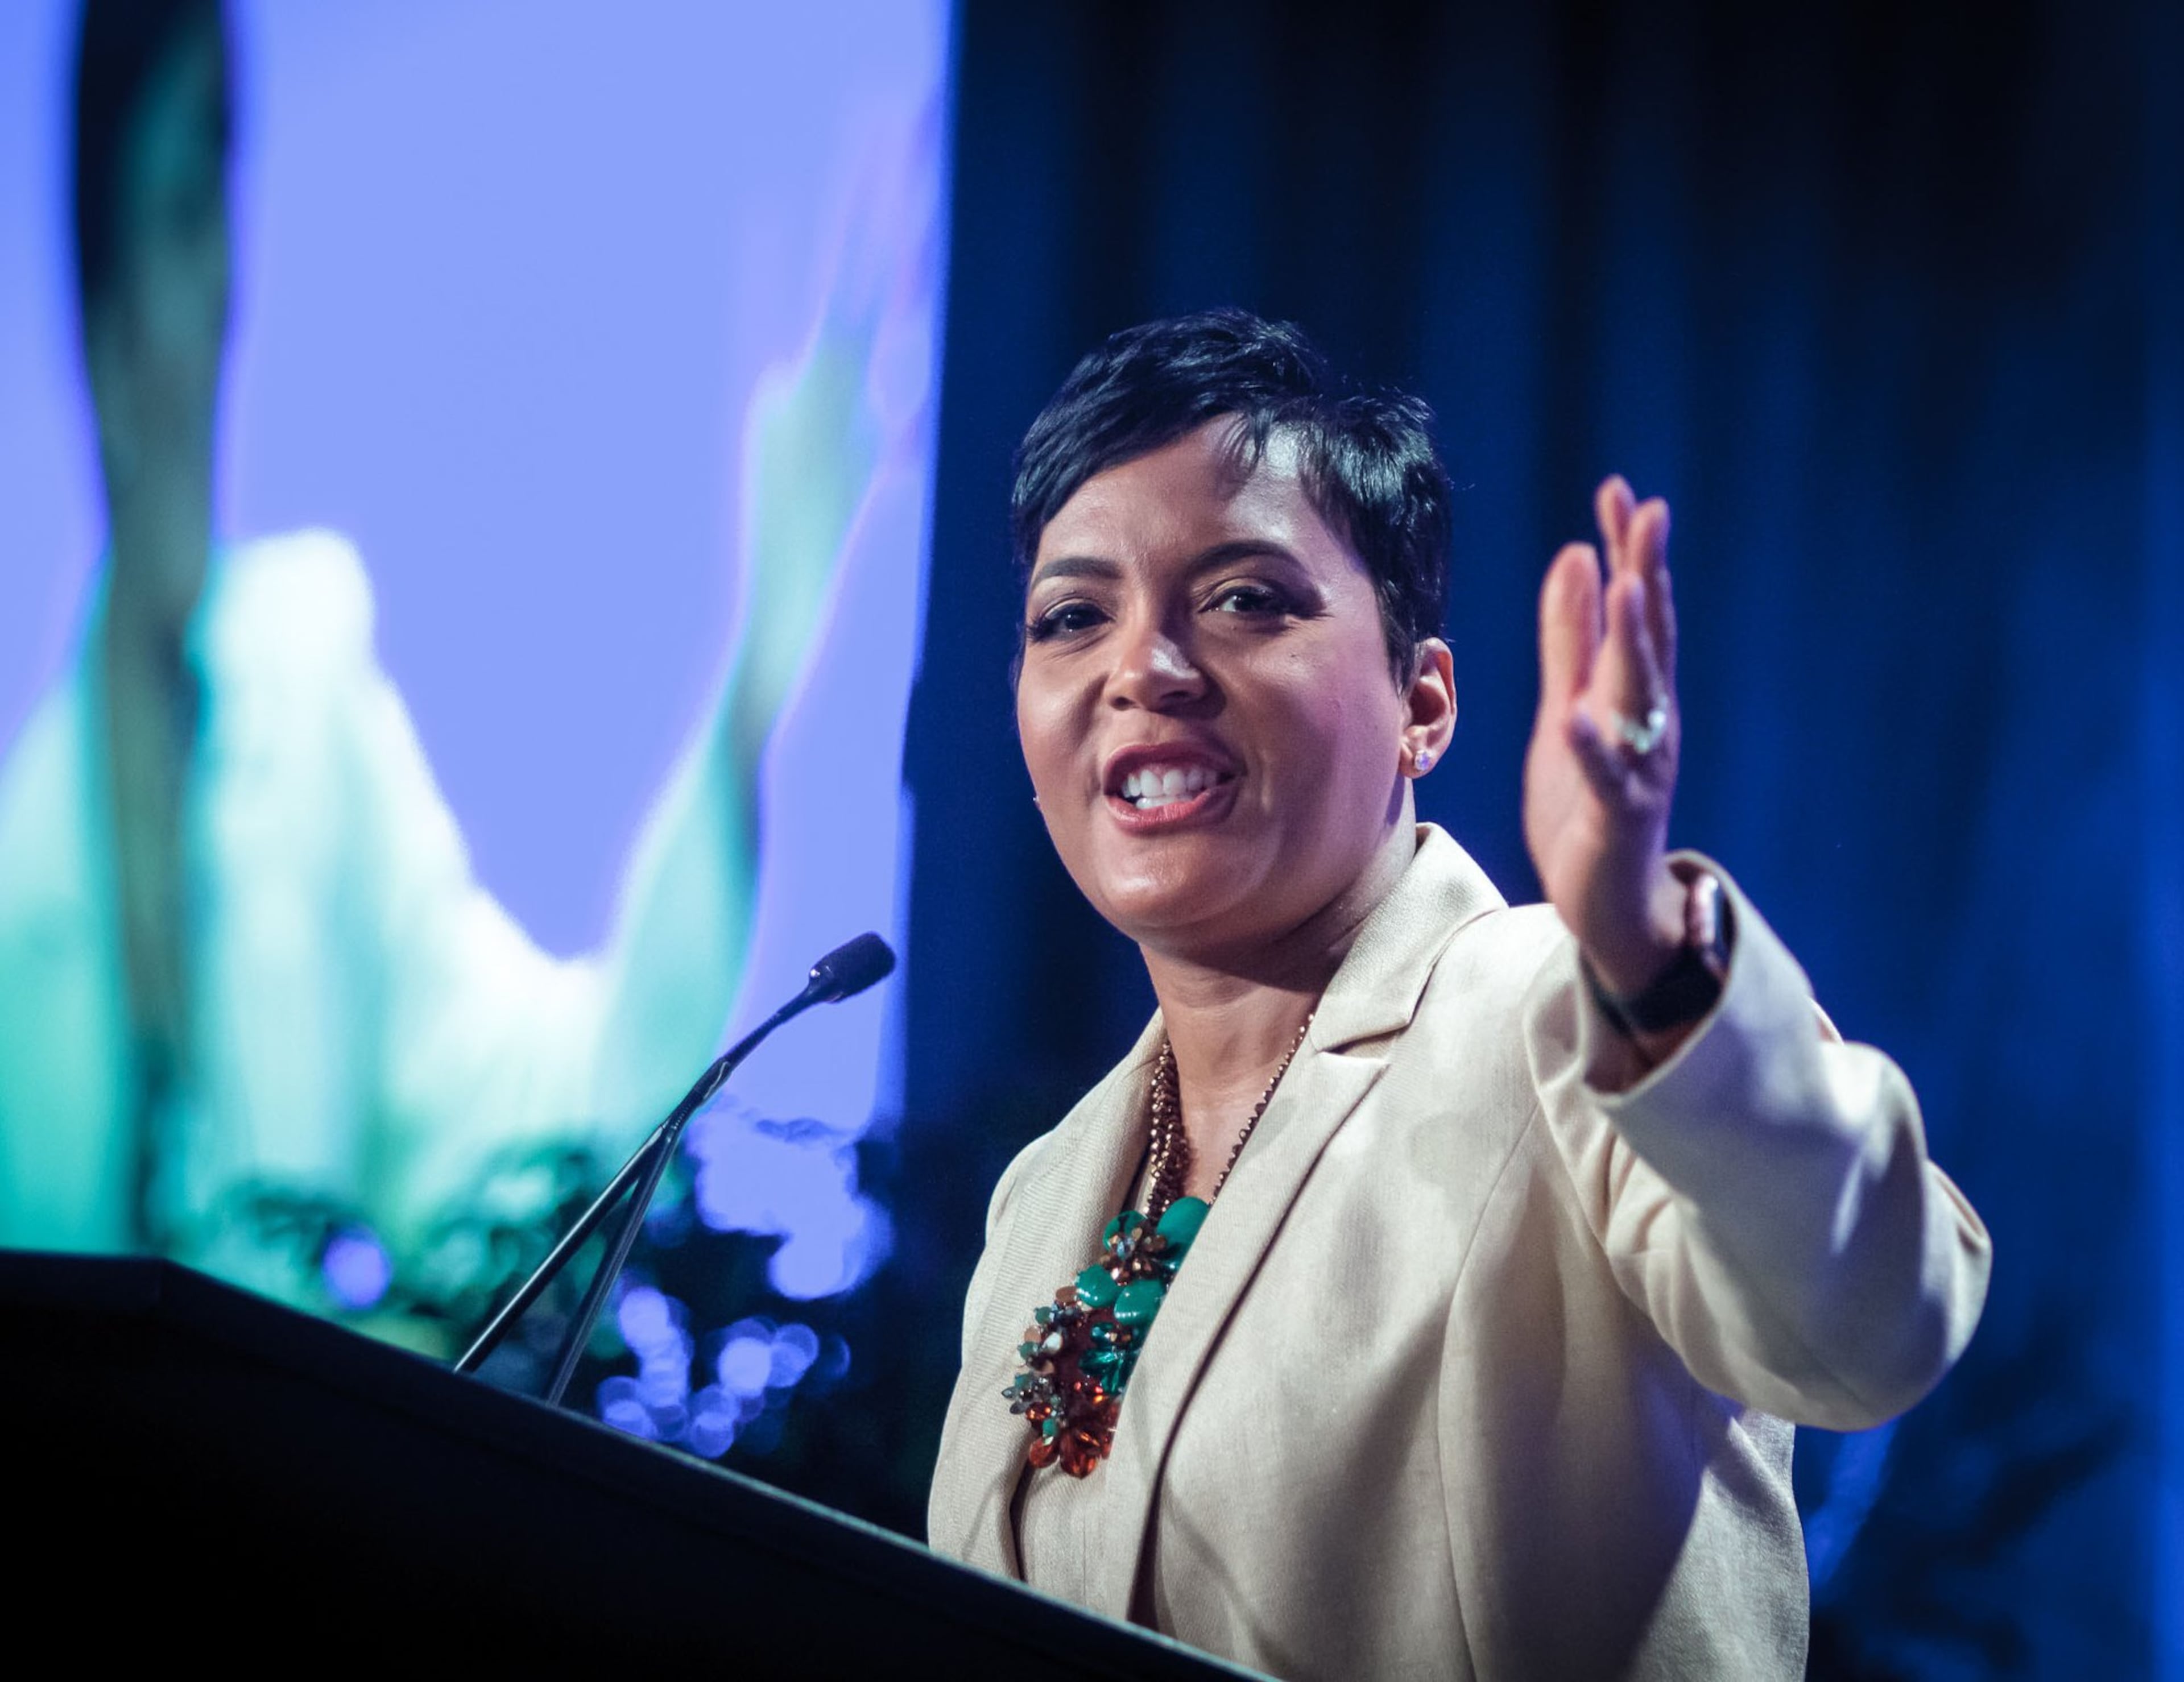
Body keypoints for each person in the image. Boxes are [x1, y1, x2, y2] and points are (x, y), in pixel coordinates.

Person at [927, 309, 1992, 1680]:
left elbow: (1869, 1323)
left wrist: (1647, 953)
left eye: (1246, 598)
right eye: (1074, 618)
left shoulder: (1566, 1013)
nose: (1144, 670)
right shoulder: (1046, 1192)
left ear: (1423, 703)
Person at [0, 0, 916, 1325]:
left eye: (228, 201)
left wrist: (756, 681)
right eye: (186, 210)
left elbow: (544, 1152)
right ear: (103, 293)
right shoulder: (27, 858)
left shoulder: (296, 683)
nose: (225, 289)